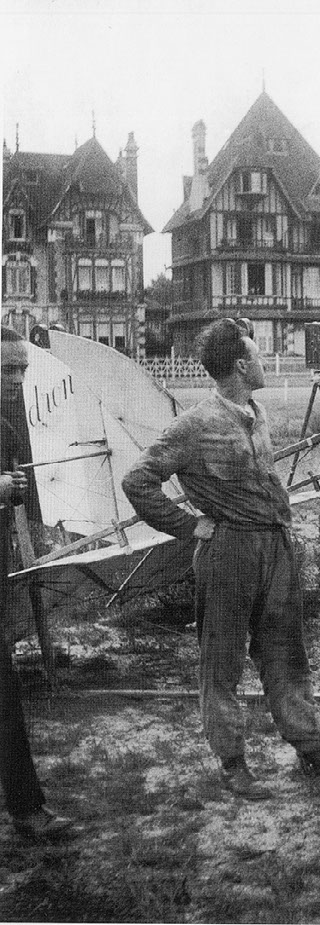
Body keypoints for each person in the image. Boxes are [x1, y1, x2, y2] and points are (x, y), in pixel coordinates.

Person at [123, 318, 320, 800]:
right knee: (221, 662)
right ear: (242, 366)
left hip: (273, 548)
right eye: (258, 356)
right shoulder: (194, 425)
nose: (263, 362)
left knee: (286, 654)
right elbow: (138, 480)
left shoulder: (256, 413)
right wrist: (188, 526)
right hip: (227, 555)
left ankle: (311, 750)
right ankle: (232, 763)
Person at [1, 326, 74, 839]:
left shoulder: (8, 429)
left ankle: (27, 808)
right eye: (8, 369)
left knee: (4, 692)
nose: (19, 378)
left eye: (24, 368)